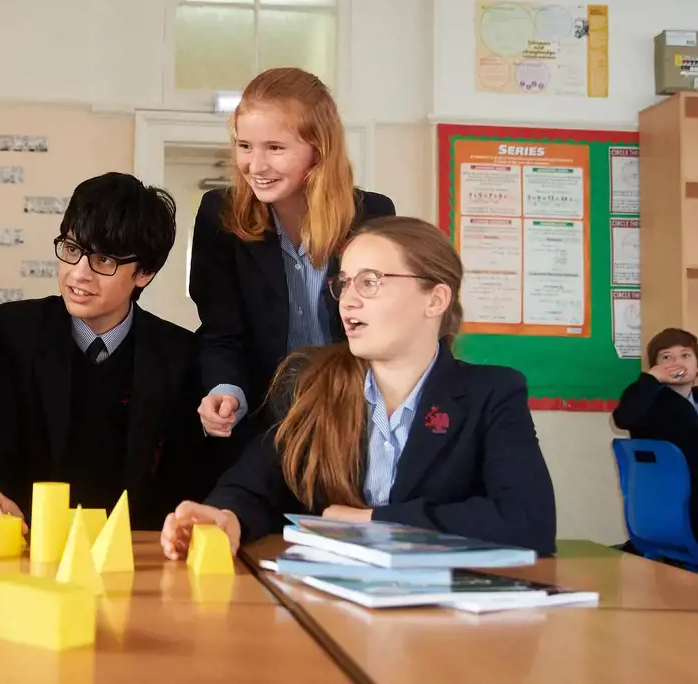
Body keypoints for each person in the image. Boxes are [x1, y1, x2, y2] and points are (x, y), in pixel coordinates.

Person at [161, 216, 557, 559]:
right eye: (344, 283)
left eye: (370, 283)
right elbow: (255, 485)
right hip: (326, 609)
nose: (347, 302)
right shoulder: (310, 381)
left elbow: (528, 521)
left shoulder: (491, 393)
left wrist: (370, 522)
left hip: (444, 618)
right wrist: (226, 516)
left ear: (435, 299)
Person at [0, 173, 214, 530]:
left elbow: (189, 477)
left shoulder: (179, 355)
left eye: (104, 260)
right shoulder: (14, 331)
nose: (79, 274)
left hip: (134, 553)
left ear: (145, 272)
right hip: (23, 543)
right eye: (73, 250)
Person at [189, 67, 395, 454]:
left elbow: (384, 331)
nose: (256, 165)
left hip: (351, 426)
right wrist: (225, 389)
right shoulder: (219, 215)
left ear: (319, 149)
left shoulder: (372, 216)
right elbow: (220, 331)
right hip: (259, 431)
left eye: (275, 148)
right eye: (244, 146)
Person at [613, 327, 698, 539]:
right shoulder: (650, 400)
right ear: (655, 367)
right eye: (666, 357)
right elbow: (625, 418)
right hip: (677, 503)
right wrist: (650, 380)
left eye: (685, 355)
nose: (677, 363)